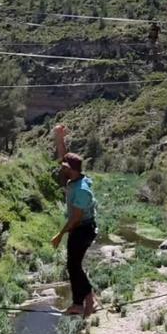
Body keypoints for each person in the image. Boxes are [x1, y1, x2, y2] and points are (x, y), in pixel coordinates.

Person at [52, 124, 99, 316]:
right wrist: (59, 137)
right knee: (73, 265)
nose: (61, 167)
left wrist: (59, 235)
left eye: (64, 167)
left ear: (70, 170)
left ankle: (87, 301)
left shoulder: (81, 191)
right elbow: (65, 156)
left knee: (74, 266)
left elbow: (75, 219)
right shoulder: (76, 176)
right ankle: (81, 302)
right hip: (79, 228)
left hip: (82, 229)